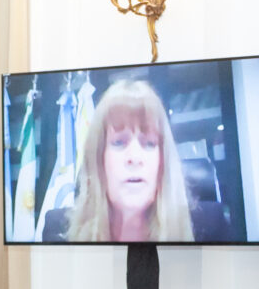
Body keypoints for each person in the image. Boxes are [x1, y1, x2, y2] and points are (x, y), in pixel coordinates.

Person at [63, 79, 194, 242]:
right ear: (99, 158)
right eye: (119, 142)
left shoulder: (210, 226)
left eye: (149, 143)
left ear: (163, 161)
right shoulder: (58, 231)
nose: (134, 158)